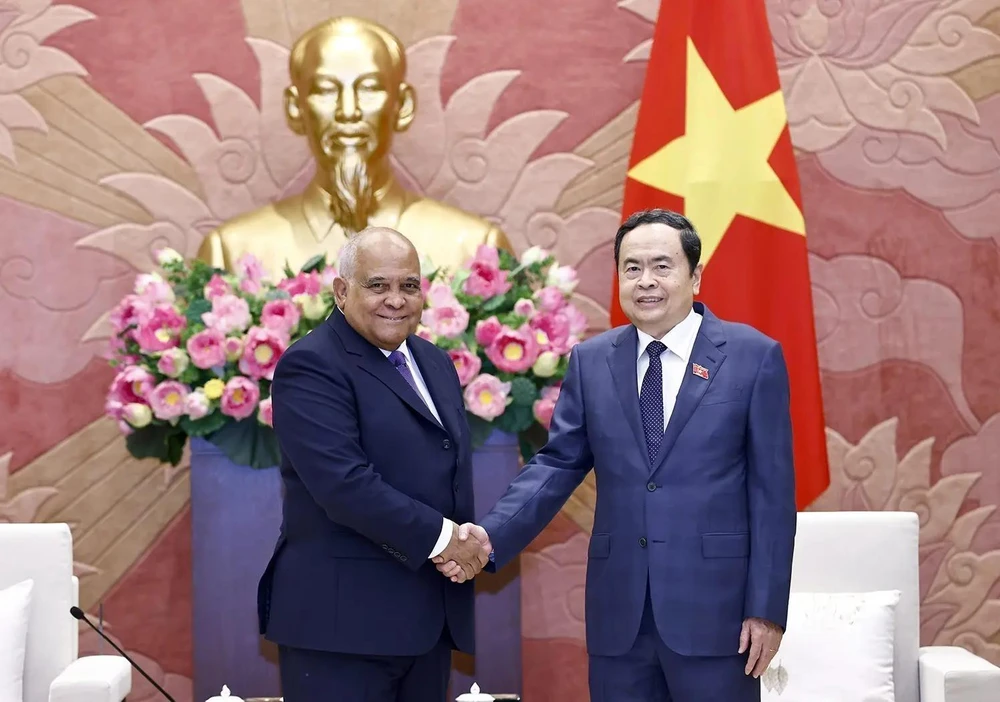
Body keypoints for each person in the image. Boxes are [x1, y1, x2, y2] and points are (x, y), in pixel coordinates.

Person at [437, 209, 796, 701]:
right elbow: (557, 464)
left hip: (719, 615)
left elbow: (772, 495)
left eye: (662, 266)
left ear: (695, 276)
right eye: (631, 268)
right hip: (620, 617)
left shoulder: (753, 356)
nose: (645, 281)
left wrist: (767, 608)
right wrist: (489, 537)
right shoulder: (592, 360)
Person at [259, 227, 491, 702]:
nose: (396, 300)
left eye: (409, 286)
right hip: (341, 630)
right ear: (342, 291)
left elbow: (442, 471)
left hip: (426, 621)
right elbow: (344, 485)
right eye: (377, 285)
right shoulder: (311, 365)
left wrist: (466, 541)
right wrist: (450, 540)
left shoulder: (434, 362)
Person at [197, 16, 510, 276]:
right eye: (326, 90)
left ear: (402, 105)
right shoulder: (231, 252)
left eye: (369, 88)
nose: (348, 112)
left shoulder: (474, 249)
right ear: (295, 108)